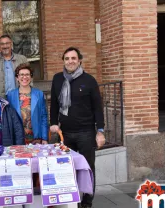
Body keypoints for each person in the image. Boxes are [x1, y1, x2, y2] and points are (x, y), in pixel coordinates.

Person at [49, 47, 105, 208]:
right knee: (67, 169)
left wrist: (100, 131)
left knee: (87, 169)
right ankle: (71, 200)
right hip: (65, 134)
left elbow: (97, 108)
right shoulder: (58, 79)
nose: (70, 61)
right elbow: (54, 104)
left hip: (86, 133)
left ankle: (86, 203)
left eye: (73, 58)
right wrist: (53, 122)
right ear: (63, 61)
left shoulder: (89, 80)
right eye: (67, 58)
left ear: (79, 60)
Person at [7, 63, 48, 145]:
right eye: (21, 74)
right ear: (17, 77)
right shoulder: (10, 95)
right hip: (18, 138)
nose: (24, 77)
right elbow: (8, 119)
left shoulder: (39, 94)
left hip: (36, 138)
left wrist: (44, 138)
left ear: (31, 77)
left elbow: (43, 117)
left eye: (27, 74)